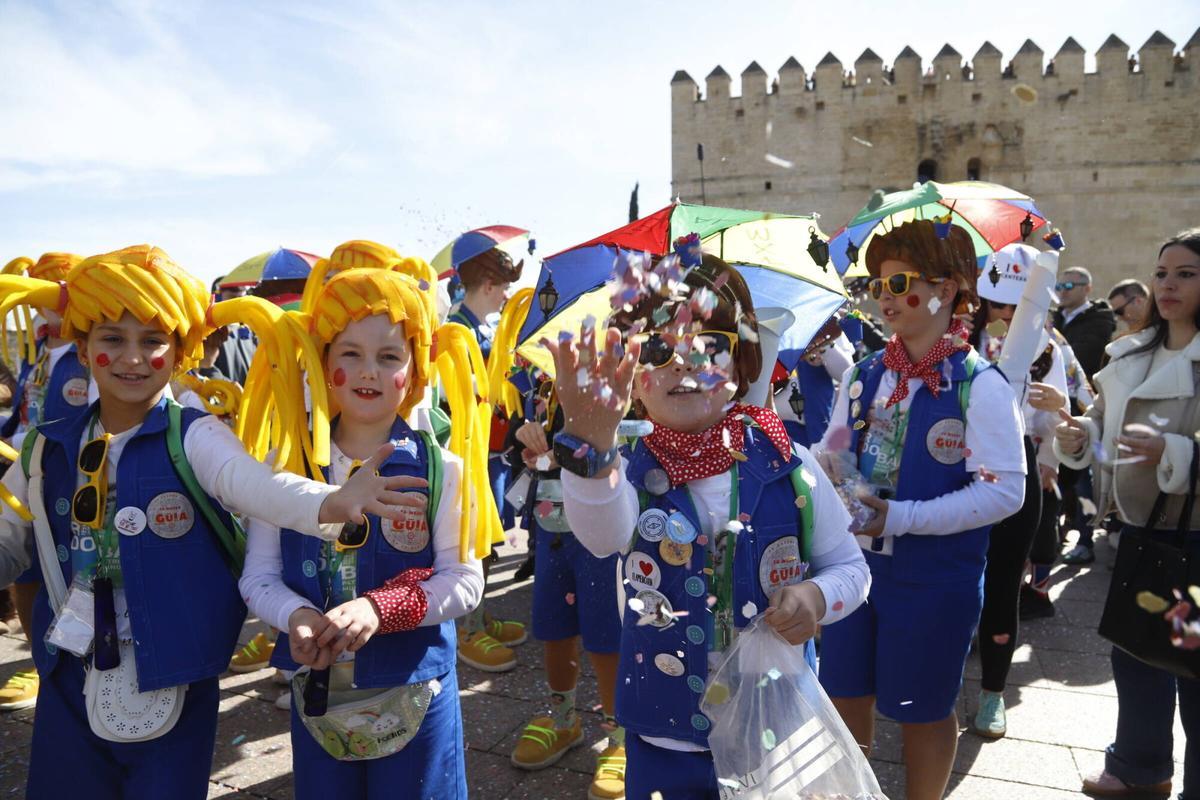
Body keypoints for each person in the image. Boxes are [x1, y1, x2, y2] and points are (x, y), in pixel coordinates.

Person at [0, 245, 429, 800]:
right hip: (67, 672)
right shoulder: (45, 446)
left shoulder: (195, 435)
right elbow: (7, 537)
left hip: (174, 669)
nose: (133, 357)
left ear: (179, 352)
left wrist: (330, 502)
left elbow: (255, 485)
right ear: (81, 347)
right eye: (112, 339)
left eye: (153, 341)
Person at [550, 243, 870, 799]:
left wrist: (817, 598)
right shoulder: (626, 470)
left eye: (709, 344)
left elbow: (850, 567)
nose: (684, 361)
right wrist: (593, 451)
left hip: (776, 729)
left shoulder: (789, 465)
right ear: (630, 376)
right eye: (655, 347)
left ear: (743, 362)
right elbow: (601, 538)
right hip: (663, 733)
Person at [239, 258, 492, 800]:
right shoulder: (282, 469)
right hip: (319, 693)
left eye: (388, 356)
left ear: (415, 369)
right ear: (320, 361)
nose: (369, 372)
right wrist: (297, 616)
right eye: (349, 354)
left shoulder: (441, 467)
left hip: (416, 690)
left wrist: (382, 609)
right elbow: (258, 577)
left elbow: (466, 580)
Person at [815, 220, 1026, 800]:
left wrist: (901, 517)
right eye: (876, 285)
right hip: (854, 571)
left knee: (922, 708)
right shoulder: (862, 375)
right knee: (844, 694)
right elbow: (835, 453)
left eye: (899, 282)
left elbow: (1006, 491)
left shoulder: (980, 386)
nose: (884, 298)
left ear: (951, 287)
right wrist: (820, 470)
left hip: (935, 578)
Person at [1056, 229, 1200, 799]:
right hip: (1137, 535)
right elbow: (1099, 423)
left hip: (1193, 541)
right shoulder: (1131, 354)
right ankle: (1140, 768)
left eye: (1186, 273)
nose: (1167, 284)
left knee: (1192, 671)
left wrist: (1179, 454)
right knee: (1136, 655)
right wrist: (1075, 433)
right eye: (1162, 272)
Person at [967, 245, 1069, 738]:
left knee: (1006, 580)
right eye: (996, 303)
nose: (1004, 315)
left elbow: (1059, 412)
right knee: (958, 571)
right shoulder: (957, 339)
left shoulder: (1046, 346)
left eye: (1014, 305)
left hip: (1017, 466)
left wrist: (1053, 422)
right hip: (961, 465)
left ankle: (992, 692)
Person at [508, 380, 625, 800]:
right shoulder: (544, 385)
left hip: (603, 527)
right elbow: (520, 451)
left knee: (606, 636)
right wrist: (526, 437)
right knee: (553, 628)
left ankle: (619, 736)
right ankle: (563, 719)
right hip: (551, 523)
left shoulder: (623, 386)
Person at [0, 253, 89, 714]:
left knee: (70, 577)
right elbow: (23, 410)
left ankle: (61, 664)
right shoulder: (38, 353)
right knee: (26, 572)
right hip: (26, 479)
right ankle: (41, 661)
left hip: (71, 489)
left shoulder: (88, 355)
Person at [447, 247, 528, 670]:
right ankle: (465, 629)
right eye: (504, 287)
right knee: (469, 539)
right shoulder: (455, 330)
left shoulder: (479, 327)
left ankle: (477, 613)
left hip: (491, 453)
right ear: (489, 284)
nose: (505, 297)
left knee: (488, 540)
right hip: (469, 452)